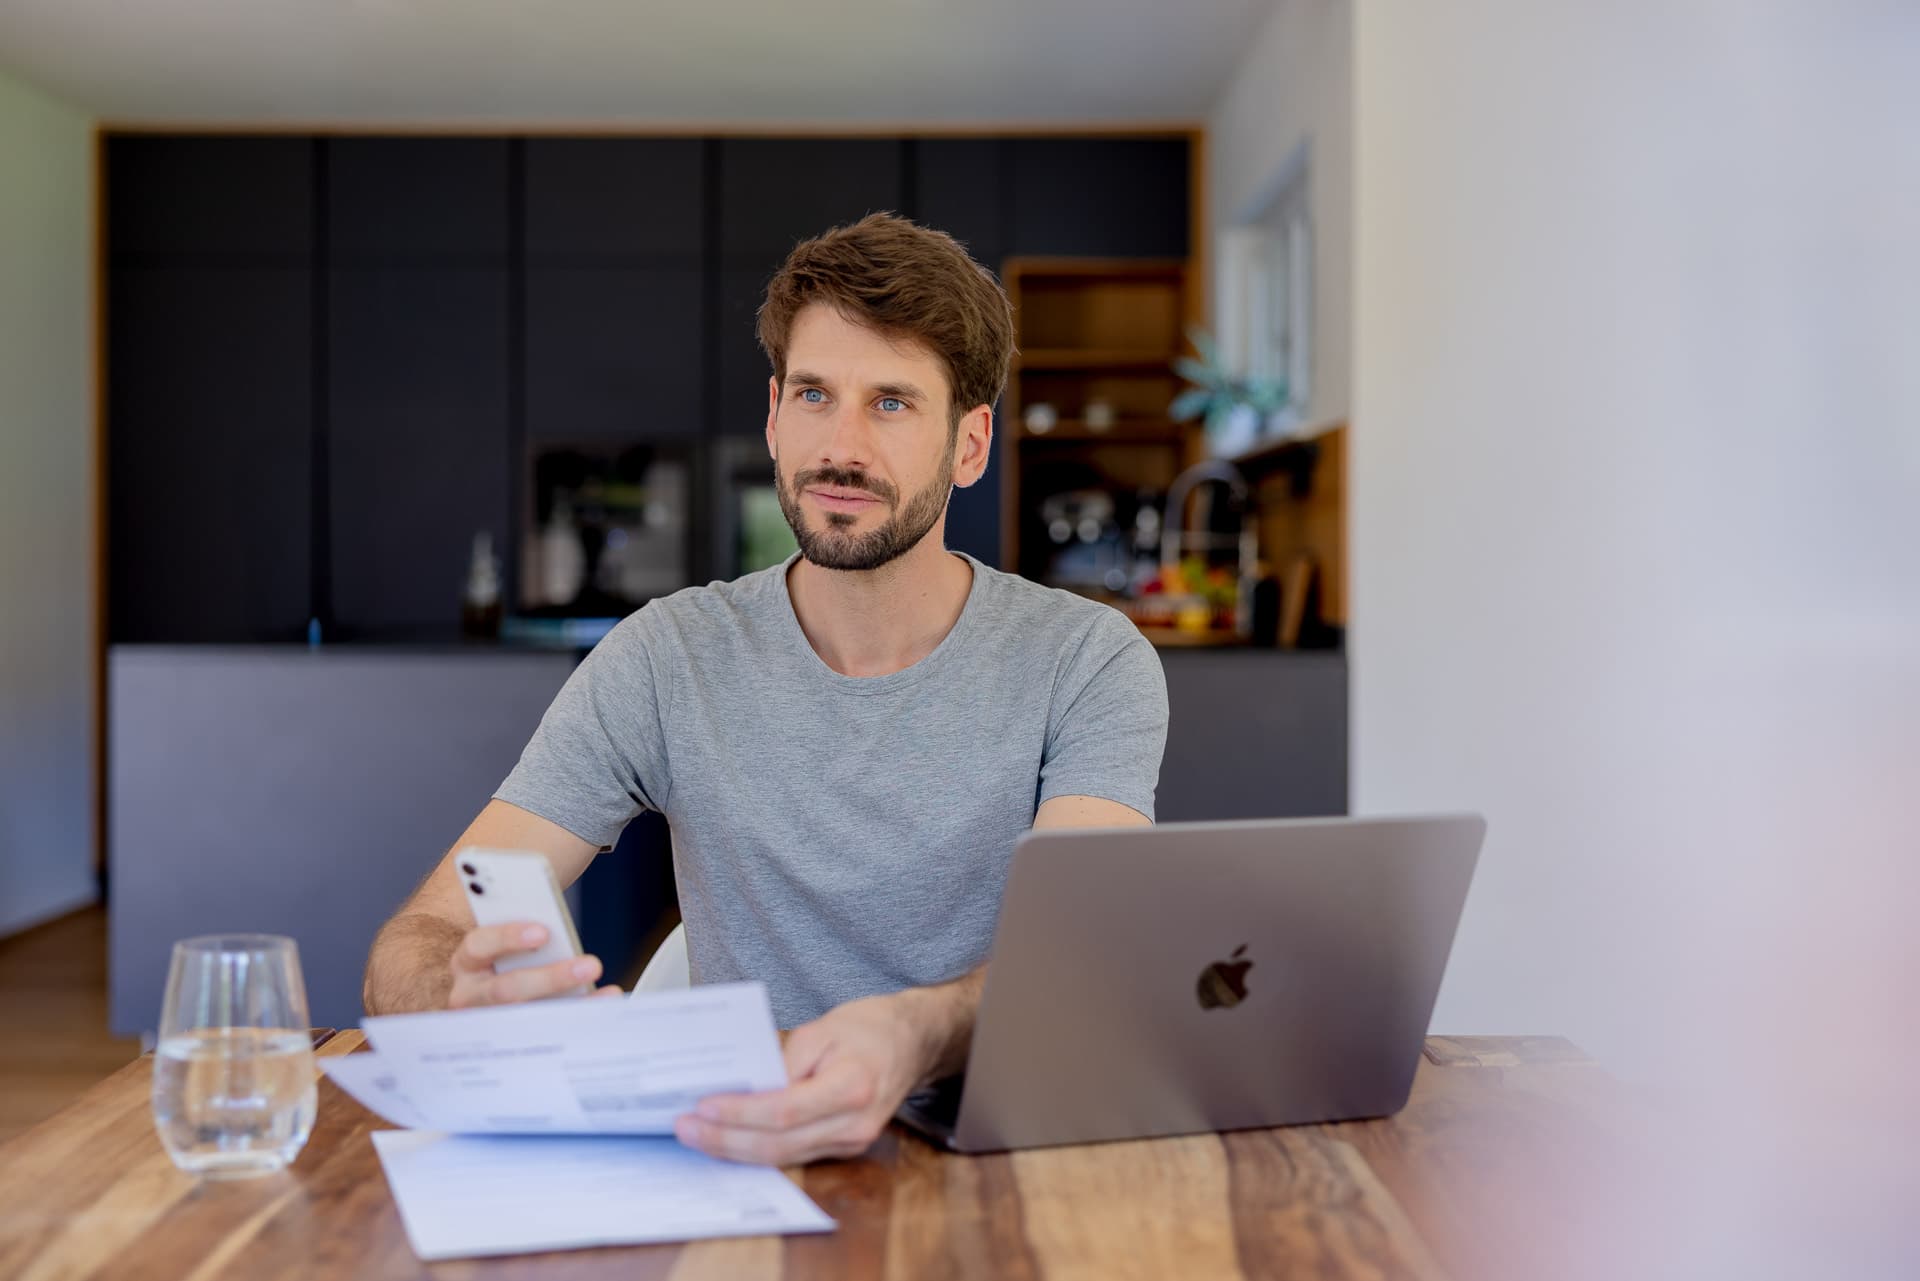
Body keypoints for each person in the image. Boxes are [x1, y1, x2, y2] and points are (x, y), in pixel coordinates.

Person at [362, 212, 1169, 1165]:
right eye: (817, 394)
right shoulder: (665, 657)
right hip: (739, 1158)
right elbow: (417, 934)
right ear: (775, 415)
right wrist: (449, 986)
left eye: (894, 403)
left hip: (1002, 1155)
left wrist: (913, 1031)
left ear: (971, 444)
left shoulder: (1088, 658)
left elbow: (1082, 950)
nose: (843, 445)